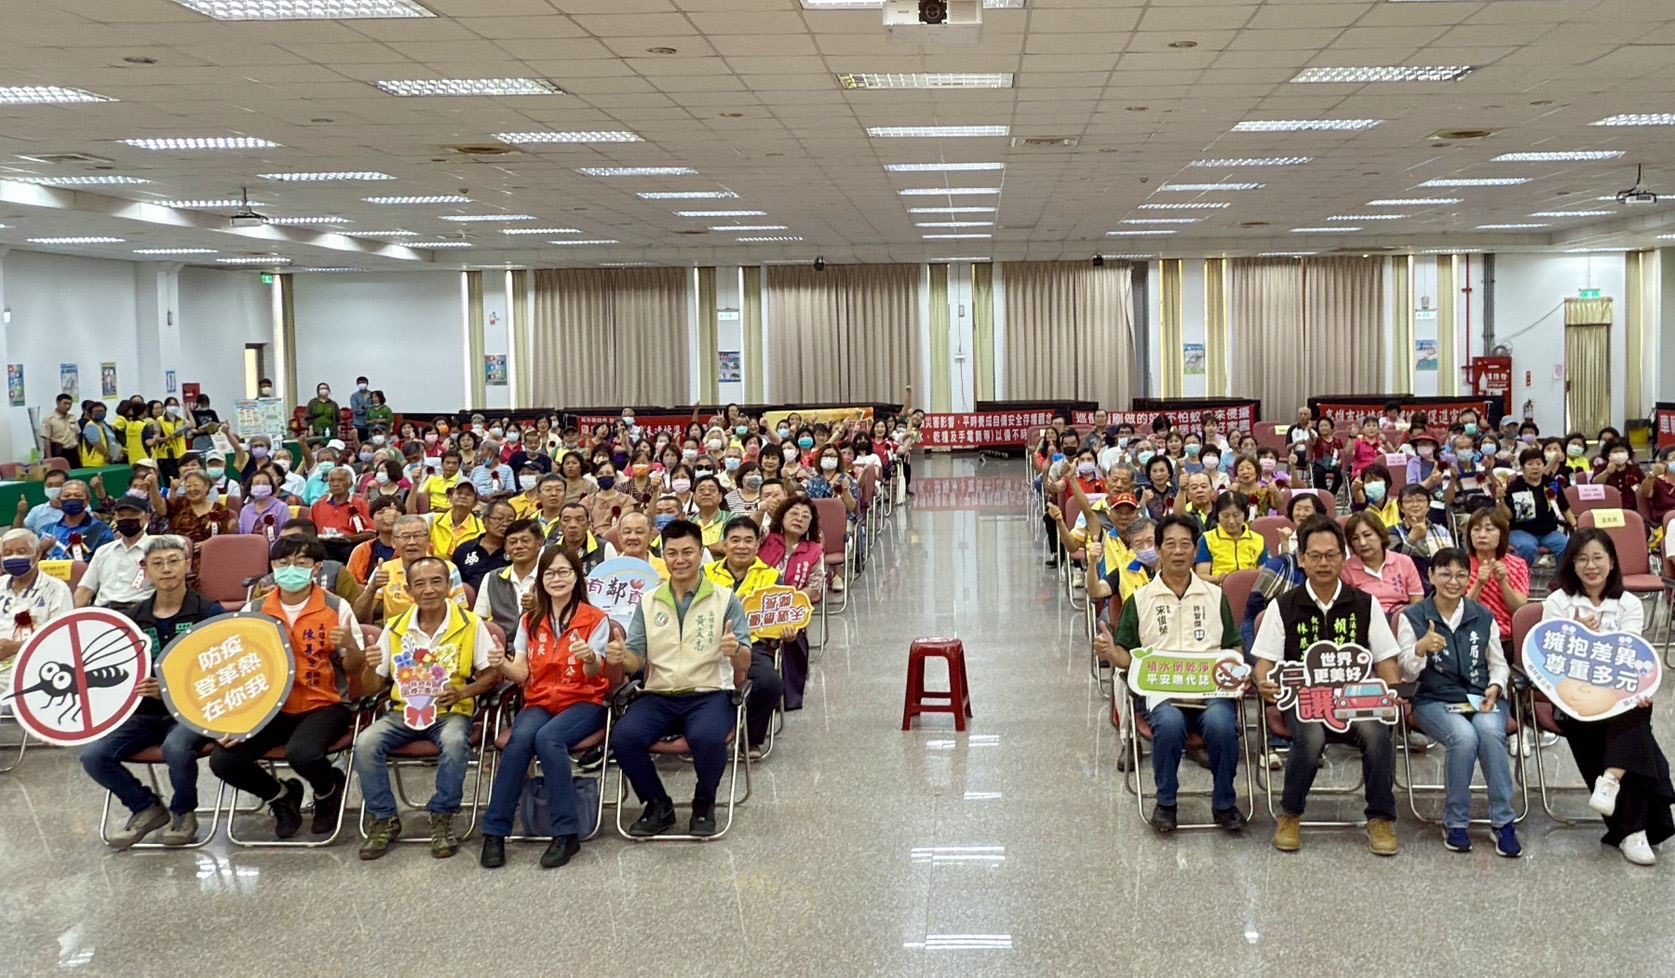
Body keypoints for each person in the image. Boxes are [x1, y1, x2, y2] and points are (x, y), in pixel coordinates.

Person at [1253, 516, 1402, 856]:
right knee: (1311, 736)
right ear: (1301, 558)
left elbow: (1386, 660)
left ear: (1344, 557)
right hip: (1304, 700)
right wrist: (1263, 682)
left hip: (1355, 699)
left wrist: (1391, 694)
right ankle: (1290, 813)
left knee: (1378, 733)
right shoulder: (1283, 606)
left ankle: (1380, 817)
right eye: (1315, 555)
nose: (1323, 563)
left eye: (1331, 555)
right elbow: (1264, 664)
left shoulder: (1365, 604)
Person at [1094, 515, 1247, 833]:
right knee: (1169, 723)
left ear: (1195, 551)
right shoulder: (1141, 600)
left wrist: (1236, 672)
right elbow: (1126, 656)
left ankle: (1224, 804)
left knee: (1221, 725)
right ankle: (1166, 803)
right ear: (1159, 551)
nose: (1178, 551)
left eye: (1185, 544)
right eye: (1170, 544)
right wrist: (1111, 652)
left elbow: (1234, 648)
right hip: (1162, 693)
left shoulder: (1216, 597)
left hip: (1211, 692)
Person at [607, 519, 754, 838]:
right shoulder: (648, 601)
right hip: (659, 694)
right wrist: (622, 658)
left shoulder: (725, 599)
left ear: (701, 553)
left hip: (709, 692)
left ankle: (704, 802)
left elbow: (746, 659)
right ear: (663, 555)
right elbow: (636, 657)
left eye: (688, 551)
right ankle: (658, 804)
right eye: (672, 553)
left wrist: (733, 650)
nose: (680, 559)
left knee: (707, 737)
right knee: (624, 737)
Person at [210, 535, 363, 839]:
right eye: (282, 563)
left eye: (301, 563)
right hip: (269, 706)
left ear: (316, 567)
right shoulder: (254, 610)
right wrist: (231, 720)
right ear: (272, 567)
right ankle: (279, 796)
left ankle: (326, 790)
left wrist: (350, 646)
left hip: (325, 703)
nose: (290, 569)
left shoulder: (335, 606)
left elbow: (355, 668)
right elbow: (236, 670)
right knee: (224, 759)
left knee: (302, 754)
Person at [1542, 528, 1675, 865]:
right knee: (1638, 735)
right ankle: (1634, 824)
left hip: (1617, 696)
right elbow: (1548, 659)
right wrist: (1579, 635)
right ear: (1571, 564)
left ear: (1612, 561)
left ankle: (1619, 800)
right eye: (1582, 558)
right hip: (1573, 698)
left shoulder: (1628, 603)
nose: (1591, 565)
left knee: (1634, 710)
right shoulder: (1557, 603)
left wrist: (1637, 689)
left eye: (1598, 557)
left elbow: (1630, 658)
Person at [78, 536, 220, 848]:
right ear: (145, 569)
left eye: (173, 561)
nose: (166, 569)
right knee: (93, 756)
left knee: (176, 748)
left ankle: (184, 812)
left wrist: (170, 690)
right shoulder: (132, 619)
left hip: (193, 712)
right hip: (143, 714)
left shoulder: (209, 612)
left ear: (187, 564)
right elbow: (117, 670)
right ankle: (146, 806)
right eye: (157, 564)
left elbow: (220, 670)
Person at [355, 556, 500, 860]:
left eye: (437, 581)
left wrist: (464, 691)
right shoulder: (394, 627)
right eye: (419, 583)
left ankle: (443, 816)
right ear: (408, 590)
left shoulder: (471, 623)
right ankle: (384, 819)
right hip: (401, 711)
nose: (429, 589)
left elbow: (492, 675)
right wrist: (368, 669)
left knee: (455, 741)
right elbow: (372, 687)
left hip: (451, 711)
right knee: (366, 742)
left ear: (449, 585)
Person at [479, 546, 612, 869]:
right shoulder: (531, 620)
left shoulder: (595, 619)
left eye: (564, 571)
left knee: (549, 739)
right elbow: (522, 673)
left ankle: (566, 833)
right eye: (550, 573)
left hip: (584, 700)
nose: (557, 578)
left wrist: (590, 658)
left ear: (576, 576)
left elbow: (597, 672)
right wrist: (502, 664)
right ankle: (495, 832)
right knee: (518, 741)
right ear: (541, 579)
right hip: (540, 700)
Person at [1395, 547, 1519, 857]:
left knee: (1490, 733)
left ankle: (1503, 821)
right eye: (1446, 574)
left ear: (1469, 578)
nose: (1454, 581)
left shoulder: (1482, 615)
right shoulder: (1413, 617)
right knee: (1463, 738)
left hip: (1480, 697)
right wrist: (1421, 650)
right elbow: (1404, 674)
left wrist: (1495, 686)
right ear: (1431, 576)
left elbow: (1499, 663)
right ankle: (1456, 822)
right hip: (1434, 700)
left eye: (1461, 575)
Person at [703, 517, 789, 758]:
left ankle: (748, 737)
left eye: (748, 541)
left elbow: (782, 617)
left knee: (770, 684)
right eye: (735, 540)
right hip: (707, 643)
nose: (741, 546)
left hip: (754, 645)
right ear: (723, 544)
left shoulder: (771, 576)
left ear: (758, 544)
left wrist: (787, 633)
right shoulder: (705, 574)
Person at [354, 514, 467, 624]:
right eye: (405, 537)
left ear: (428, 540)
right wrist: (371, 588)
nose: (412, 542)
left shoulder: (448, 568)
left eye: (417, 536)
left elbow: (461, 615)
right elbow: (358, 617)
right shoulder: (384, 570)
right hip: (397, 637)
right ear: (393, 542)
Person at [0, 529, 74, 687]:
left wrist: (14, 648)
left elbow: (62, 639)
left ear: (38, 555)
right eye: (7, 552)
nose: (14, 557)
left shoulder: (56, 589)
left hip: (29, 665)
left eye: (21, 551)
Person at [1463, 508, 1530, 645]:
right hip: (1470, 636)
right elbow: (1458, 611)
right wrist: (1479, 583)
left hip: (1506, 637)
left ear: (1502, 534)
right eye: (1476, 529)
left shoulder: (1518, 565)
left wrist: (1503, 582)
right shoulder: (1460, 566)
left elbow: (1519, 609)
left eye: (1489, 529)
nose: (1482, 535)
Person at [73, 495, 154, 607]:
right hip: (104, 612)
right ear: (115, 518)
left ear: (147, 518)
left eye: (133, 515)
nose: (126, 519)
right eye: (121, 515)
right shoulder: (103, 551)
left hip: (140, 610)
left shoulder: (157, 548)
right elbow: (85, 589)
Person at [1340, 512, 1424, 616]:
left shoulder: (1404, 562)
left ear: (1380, 534)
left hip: (1402, 621)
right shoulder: (1346, 569)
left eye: (1367, 535)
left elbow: (1417, 601)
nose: (1362, 543)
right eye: (1355, 538)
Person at [1502, 447, 1573, 566]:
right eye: (1530, 464)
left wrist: (1575, 525)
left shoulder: (1551, 484)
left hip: (1549, 532)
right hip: (1521, 531)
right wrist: (1500, 500)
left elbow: (1564, 507)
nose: (1535, 467)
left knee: (1566, 545)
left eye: (1539, 463)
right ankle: (1522, 577)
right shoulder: (1515, 486)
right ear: (1523, 467)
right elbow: (1507, 515)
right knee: (1527, 547)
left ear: (1543, 465)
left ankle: (1561, 579)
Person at [473, 517, 544, 636]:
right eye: (512, 542)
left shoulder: (549, 576)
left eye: (525, 540)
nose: (518, 546)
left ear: (539, 544)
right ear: (506, 548)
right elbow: (479, 620)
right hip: (500, 647)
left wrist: (540, 607)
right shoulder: (492, 578)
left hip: (539, 644)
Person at [1193, 491, 1267, 584]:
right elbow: (1201, 576)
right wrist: (1219, 579)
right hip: (1219, 590)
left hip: (1251, 590)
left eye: (1236, 515)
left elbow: (1264, 575)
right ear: (1217, 515)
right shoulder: (1207, 539)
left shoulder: (1258, 540)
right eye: (1225, 516)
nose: (1231, 521)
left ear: (1245, 514)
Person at [310, 465, 373, 564]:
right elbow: (309, 531)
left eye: (340, 480)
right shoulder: (318, 505)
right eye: (332, 480)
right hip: (323, 545)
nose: (335, 484)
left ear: (350, 484)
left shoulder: (361, 504)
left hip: (350, 546)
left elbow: (371, 533)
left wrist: (350, 539)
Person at [453, 499, 514, 591]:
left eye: (510, 520)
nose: (505, 524)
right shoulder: (464, 549)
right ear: (485, 521)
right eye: (499, 519)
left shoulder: (515, 551)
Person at [346, 496, 403, 584]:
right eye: (381, 512)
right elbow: (351, 586)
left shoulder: (414, 547)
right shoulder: (362, 550)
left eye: (393, 512)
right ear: (372, 519)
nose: (387, 517)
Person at [428, 481, 484, 561]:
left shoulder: (482, 528)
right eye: (459, 493)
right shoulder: (432, 520)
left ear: (475, 503)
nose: (463, 496)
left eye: (468, 494)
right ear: (450, 498)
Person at [554, 501, 617, 573]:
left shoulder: (605, 548)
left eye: (579, 520)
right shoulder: (548, 549)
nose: (573, 525)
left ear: (588, 524)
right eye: (566, 520)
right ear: (560, 525)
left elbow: (614, 579)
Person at [239, 469, 291, 544]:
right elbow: (241, 535)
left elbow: (285, 535)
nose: (261, 486)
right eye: (257, 483)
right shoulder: (245, 510)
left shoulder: (281, 507)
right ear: (250, 487)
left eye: (265, 483)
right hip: (248, 550)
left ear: (271, 487)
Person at [1310, 417, 1345, 495]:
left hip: (1334, 464)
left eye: (1326, 425)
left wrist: (1340, 461)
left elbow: (1342, 453)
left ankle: (1332, 493)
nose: (1323, 428)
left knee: (1341, 473)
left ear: (1331, 427)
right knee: (1318, 472)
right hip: (1320, 464)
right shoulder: (1317, 440)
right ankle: (1323, 494)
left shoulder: (1337, 441)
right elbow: (1311, 439)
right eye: (1321, 426)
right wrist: (1309, 430)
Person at [41, 393, 79, 462]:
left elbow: (77, 435)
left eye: (70, 404)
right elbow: (46, 440)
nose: (68, 406)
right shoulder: (49, 419)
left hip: (73, 451)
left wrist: (79, 453)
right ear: (58, 403)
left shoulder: (72, 417)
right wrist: (49, 458)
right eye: (65, 403)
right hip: (59, 452)